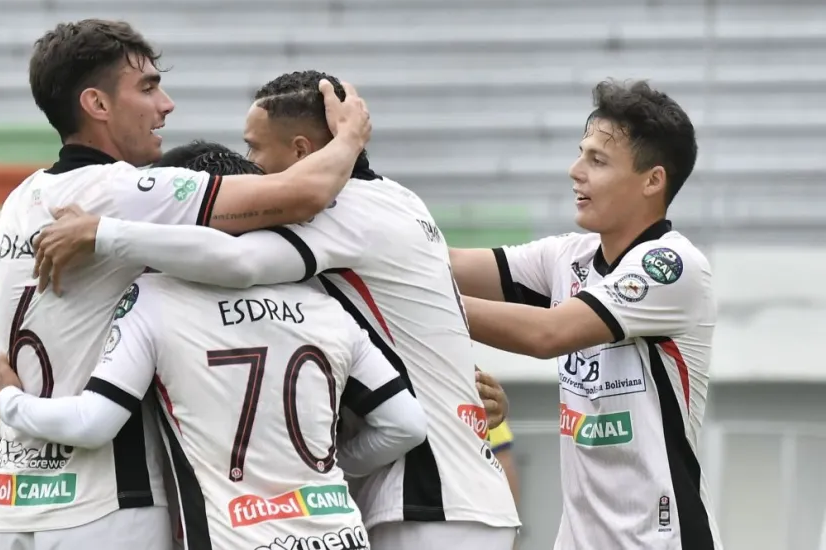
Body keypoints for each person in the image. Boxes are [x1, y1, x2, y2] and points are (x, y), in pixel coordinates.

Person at [26, 72, 521, 550]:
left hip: (422, 495)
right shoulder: (400, 199)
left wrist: (104, 233)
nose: (248, 164)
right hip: (460, 488)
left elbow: (236, 259)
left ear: (302, 151)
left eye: (255, 148)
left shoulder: (337, 211)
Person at [0, 21, 371, 550]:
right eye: (148, 88)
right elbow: (302, 193)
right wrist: (352, 136)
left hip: (2, 497)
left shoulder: (22, 200)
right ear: (97, 105)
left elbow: (5, 240)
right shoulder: (128, 191)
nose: (166, 105)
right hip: (103, 502)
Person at [0, 146, 428, 550]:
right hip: (339, 535)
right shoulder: (324, 306)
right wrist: (324, 469)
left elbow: (94, 420)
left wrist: (7, 401)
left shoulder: (154, 301)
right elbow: (405, 424)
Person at [450, 80, 723, 549]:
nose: (575, 171)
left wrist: (422, 303)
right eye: (581, 154)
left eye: (597, 160)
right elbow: (444, 266)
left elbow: (547, 335)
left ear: (652, 180)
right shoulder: (567, 257)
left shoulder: (673, 266)